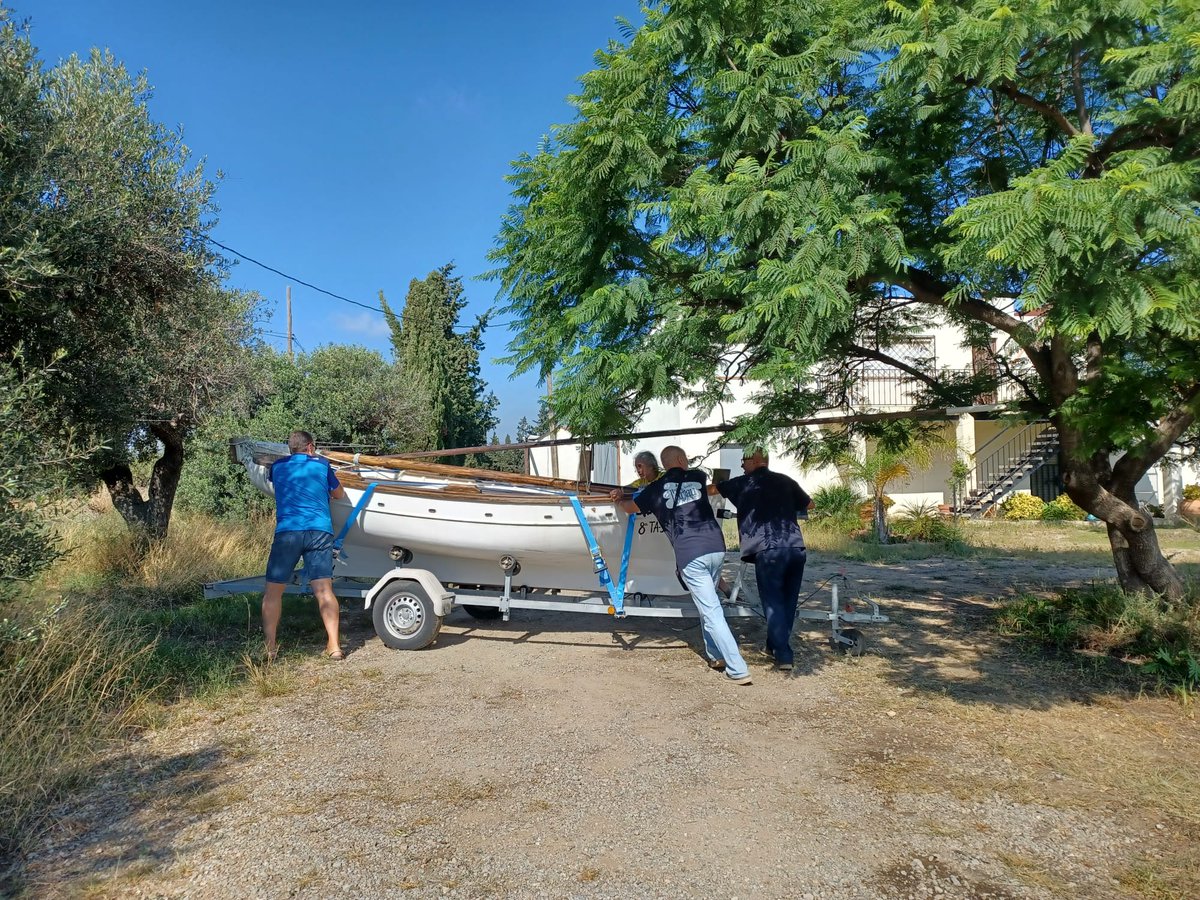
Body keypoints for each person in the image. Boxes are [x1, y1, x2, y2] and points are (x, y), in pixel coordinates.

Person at [611, 446, 752, 685]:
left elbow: (630, 508)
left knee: (711, 610)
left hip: (690, 554)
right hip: (716, 548)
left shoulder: (654, 490)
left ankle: (737, 668)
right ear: (680, 459)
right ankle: (715, 656)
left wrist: (619, 498)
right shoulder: (698, 477)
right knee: (709, 605)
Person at [712, 449, 810, 671]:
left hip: (767, 549)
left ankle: (784, 655)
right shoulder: (786, 481)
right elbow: (809, 504)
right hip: (795, 547)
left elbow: (712, 489)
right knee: (788, 601)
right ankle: (773, 644)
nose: (741, 466)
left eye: (743, 462)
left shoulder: (743, 483)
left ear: (756, 461)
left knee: (773, 602)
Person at [261, 430, 347, 662]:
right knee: (324, 591)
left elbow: (275, 483)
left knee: (273, 592)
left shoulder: (277, 467)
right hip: (319, 531)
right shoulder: (321, 464)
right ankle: (334, 646)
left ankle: (270, 648)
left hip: (288, 532)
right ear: (310, 447)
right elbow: (339, 494)